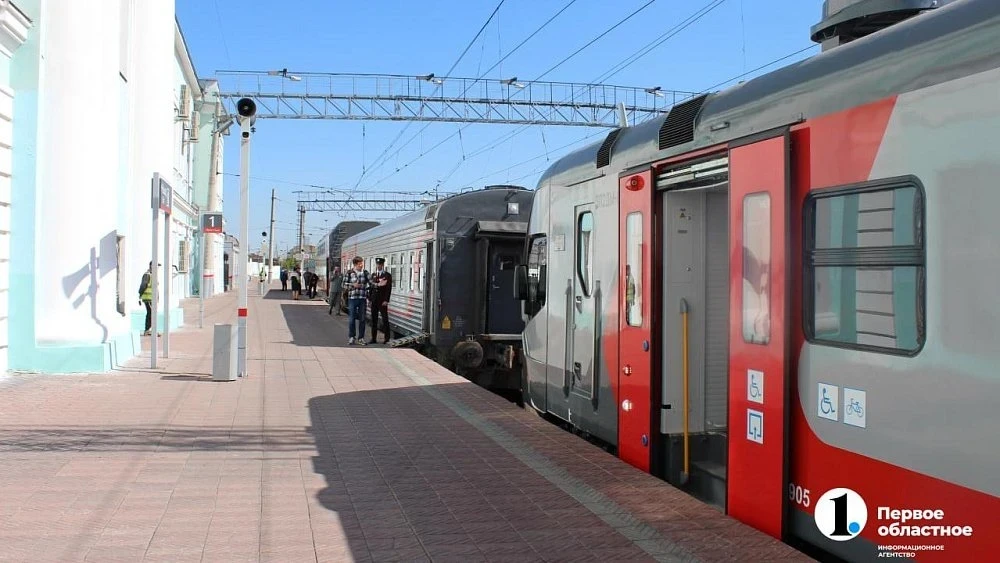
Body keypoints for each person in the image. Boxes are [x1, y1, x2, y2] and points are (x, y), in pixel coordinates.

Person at [344, 256, 370, 345]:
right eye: (360, 264)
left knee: (362, 319)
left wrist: (378, 284)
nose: (361, 265)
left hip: (362, 298)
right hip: (352, 298)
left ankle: (361, 338)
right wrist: (352, 285)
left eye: (362, 263)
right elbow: (343, 285)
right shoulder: (349, 273)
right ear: (355, 264)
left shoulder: (365, 273)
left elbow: (371, 282)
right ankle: (352, 337)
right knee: (352, 319)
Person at [369, 257, 392, 344]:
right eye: (377, 264)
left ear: (382, 265)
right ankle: (373, 338)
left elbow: (388, 289)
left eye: (380, 264)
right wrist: (370, 299)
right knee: (373, 320)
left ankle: (387, 338)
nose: (378, 266)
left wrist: (386, 300)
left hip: (382, 301)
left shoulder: (387, 275)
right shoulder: (373, 275)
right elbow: (371, 288)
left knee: (385, 319)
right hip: (374, 300)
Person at [138, 261, 155, 336]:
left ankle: (149, 329)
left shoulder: (153, 275)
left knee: (151, 313)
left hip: (152, 298)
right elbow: (143, 286)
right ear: (151, 266)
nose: (157, 268)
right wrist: (140, 296)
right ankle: (147, 330)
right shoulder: (147, 275)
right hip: (148, 298)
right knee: (151, 313)